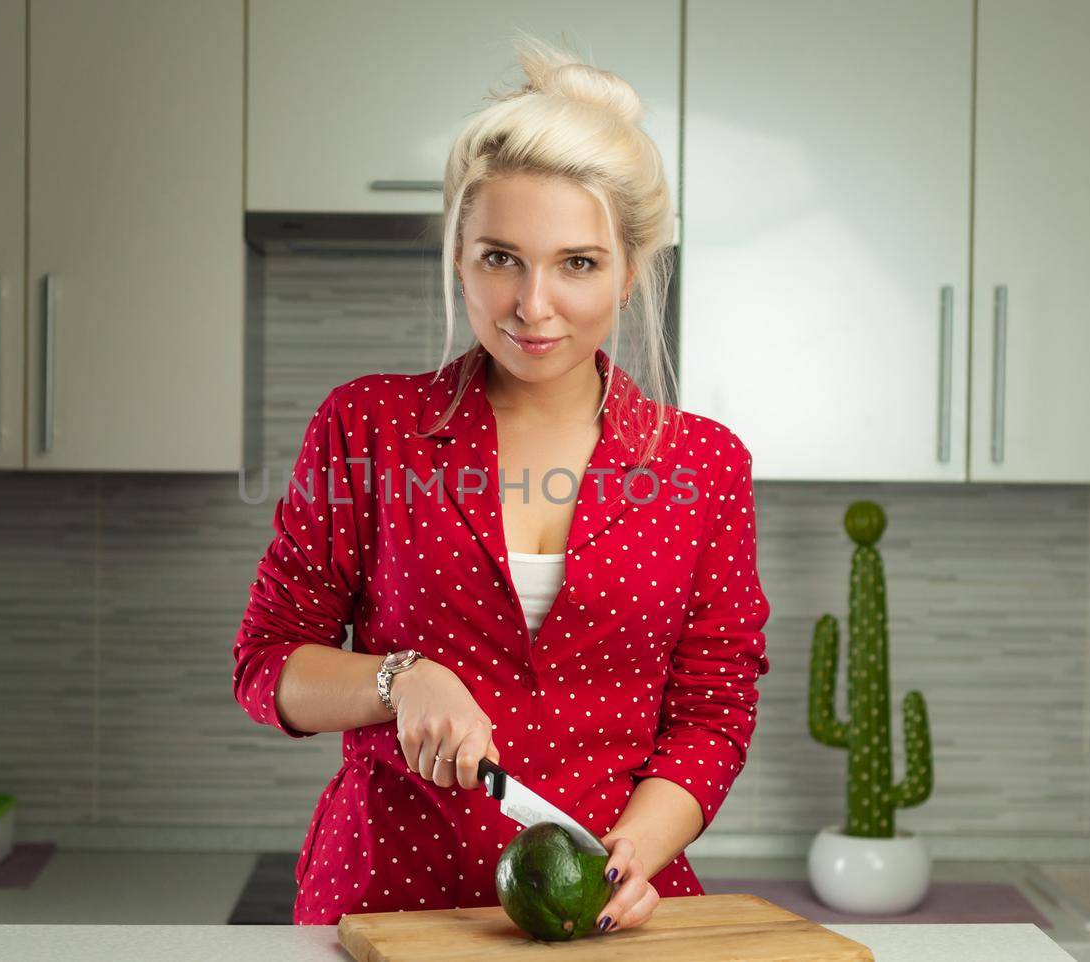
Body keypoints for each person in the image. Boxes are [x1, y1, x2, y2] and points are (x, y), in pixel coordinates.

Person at [232, 33, 770, 930]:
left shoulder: (702, 465)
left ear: (631, 271)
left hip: (604, 915)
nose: (533, 305)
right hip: (387, 907)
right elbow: (266, 665)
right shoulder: (368, 427)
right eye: (500, 258)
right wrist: (400, 680)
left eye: (578, 263)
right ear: (457, 255)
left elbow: (715, 713)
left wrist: (630, 853)